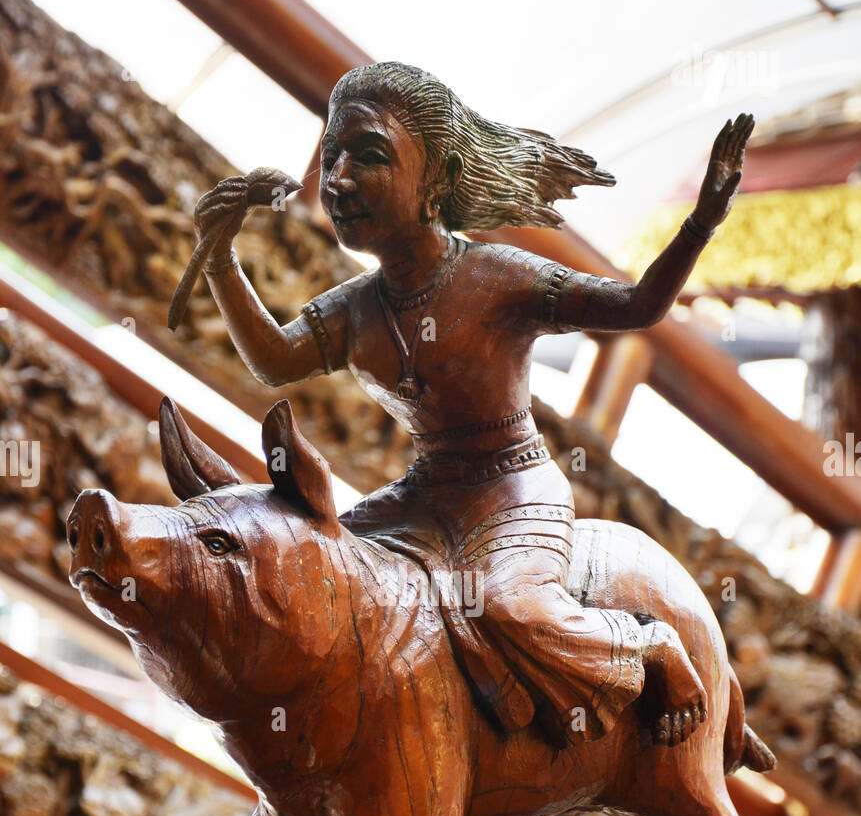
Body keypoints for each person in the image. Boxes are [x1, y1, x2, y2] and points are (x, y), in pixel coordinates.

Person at [192, 61, 753, 749]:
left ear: (438, 181)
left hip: (511, 488)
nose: (335, 180)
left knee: (506, 606)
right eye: (331, 156)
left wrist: (699, 223)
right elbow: (274, 360)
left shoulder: (499, 277)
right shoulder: (356, 309)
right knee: (308, 571)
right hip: (427, 494)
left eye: (367, 157)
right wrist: (218, 259)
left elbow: (637, 307)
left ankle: (646, 649)